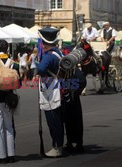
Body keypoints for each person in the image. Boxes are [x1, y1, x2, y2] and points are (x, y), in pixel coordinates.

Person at [36, 27, 64, 157]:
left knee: (53, 120)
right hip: (58, 87)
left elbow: (41, 69)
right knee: (57, 119)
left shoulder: (48, 55)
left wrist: (37, 65)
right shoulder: (58, 52)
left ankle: (56, 146)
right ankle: (59, 145)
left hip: (51, 89)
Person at [62, 69, 86, 153]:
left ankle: (78, 143)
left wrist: (75, 91)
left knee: (75, 121)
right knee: (69, 121)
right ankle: (71, 143)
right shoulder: (68, 71)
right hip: (69, 96)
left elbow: (83, 82)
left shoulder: (75, 71)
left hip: (72, 97)